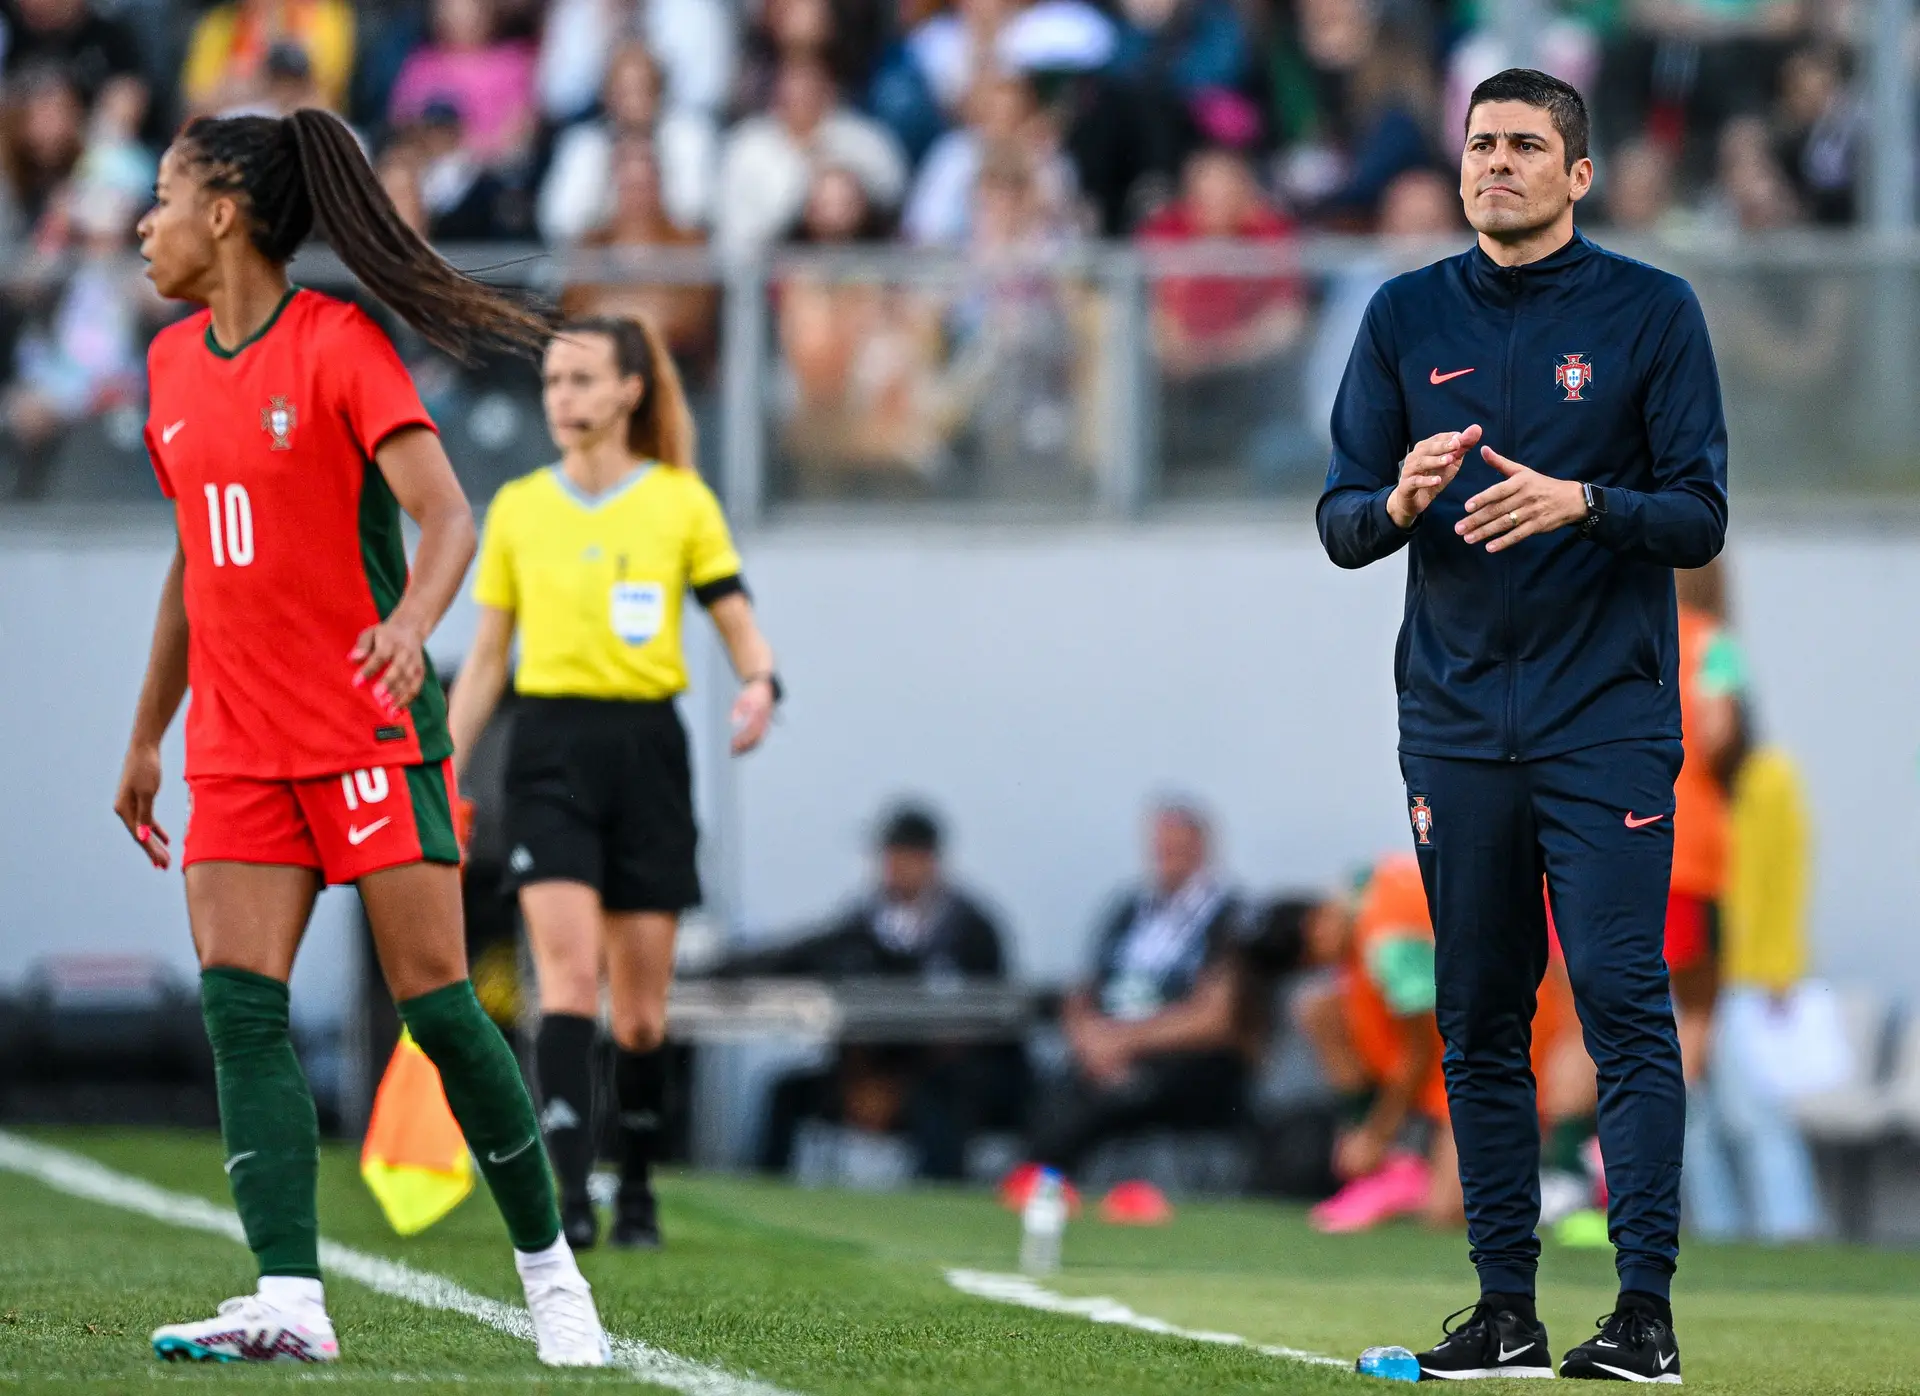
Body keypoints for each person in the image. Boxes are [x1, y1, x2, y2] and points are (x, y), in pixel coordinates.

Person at [112, 108, 609, 1366]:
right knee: (243, 1013)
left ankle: (555, 1281)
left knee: (439, 1008)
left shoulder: (337, 346)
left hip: (365, 730)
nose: (143, 223)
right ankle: (289, 1296)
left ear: (222, 213)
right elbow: (194, 559)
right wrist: (144, 733)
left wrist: (410, 626)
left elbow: (449, 519)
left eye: (162, 197)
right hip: (234, 742)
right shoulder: (170, 365)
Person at [1318, 69, 1727, 1382]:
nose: (1496, 163)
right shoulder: (1402, 316)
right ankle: (1505, 1311)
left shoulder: (1653, 313)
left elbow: (1700, 515)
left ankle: (1645, 1317)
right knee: (1477, 1018)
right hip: (1453, 724)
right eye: (1480, 144)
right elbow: (1337, 524)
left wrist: (1583, 504)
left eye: (1525, 146)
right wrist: (1396, 501)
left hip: (1605, 721)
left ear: (1579, 174)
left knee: (1619, 1004)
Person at [446, 312, 781, 1252]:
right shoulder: (517, 507)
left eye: (583, 381)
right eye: (553, 383)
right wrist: (438, 765)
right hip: (549, 749)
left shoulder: (680, 502)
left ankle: (636, 1183)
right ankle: (570, 1196)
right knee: (566, 980)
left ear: (631, 391)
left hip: (647, 756)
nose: (564, 399)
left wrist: (761, 682)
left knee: (638, 1013)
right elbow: (484, 662)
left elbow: (735, 618)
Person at [726, 804, 1017, 1179]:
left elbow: (981, 1023)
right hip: (861, 1072)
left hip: (938, 1074)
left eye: (901, 855)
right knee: (784, 1094)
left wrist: (896, 1087)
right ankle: (764, 1199)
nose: (890, 867)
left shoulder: (972, 929)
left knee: (942, 1105)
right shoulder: (862, 920)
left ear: (929, 860)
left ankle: (940, 1205)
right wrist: (859, 1081)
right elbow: (808, 958)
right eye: (886, 855)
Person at [1024, 801, 1254, 1183]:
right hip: (1110, 1054)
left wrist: (1125, 1043)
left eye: (1177, 848)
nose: (1166, 858)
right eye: (1160, 848)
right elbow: (1083, 993)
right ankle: (1038, 1187)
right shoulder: (1128, 910)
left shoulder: (1229, 916)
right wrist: (1091, 1043)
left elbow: (1217, 1017)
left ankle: (1051, 1188)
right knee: (1047, 1087)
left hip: (1187, 1063)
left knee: (1099, 1106)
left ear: (1202, 849)